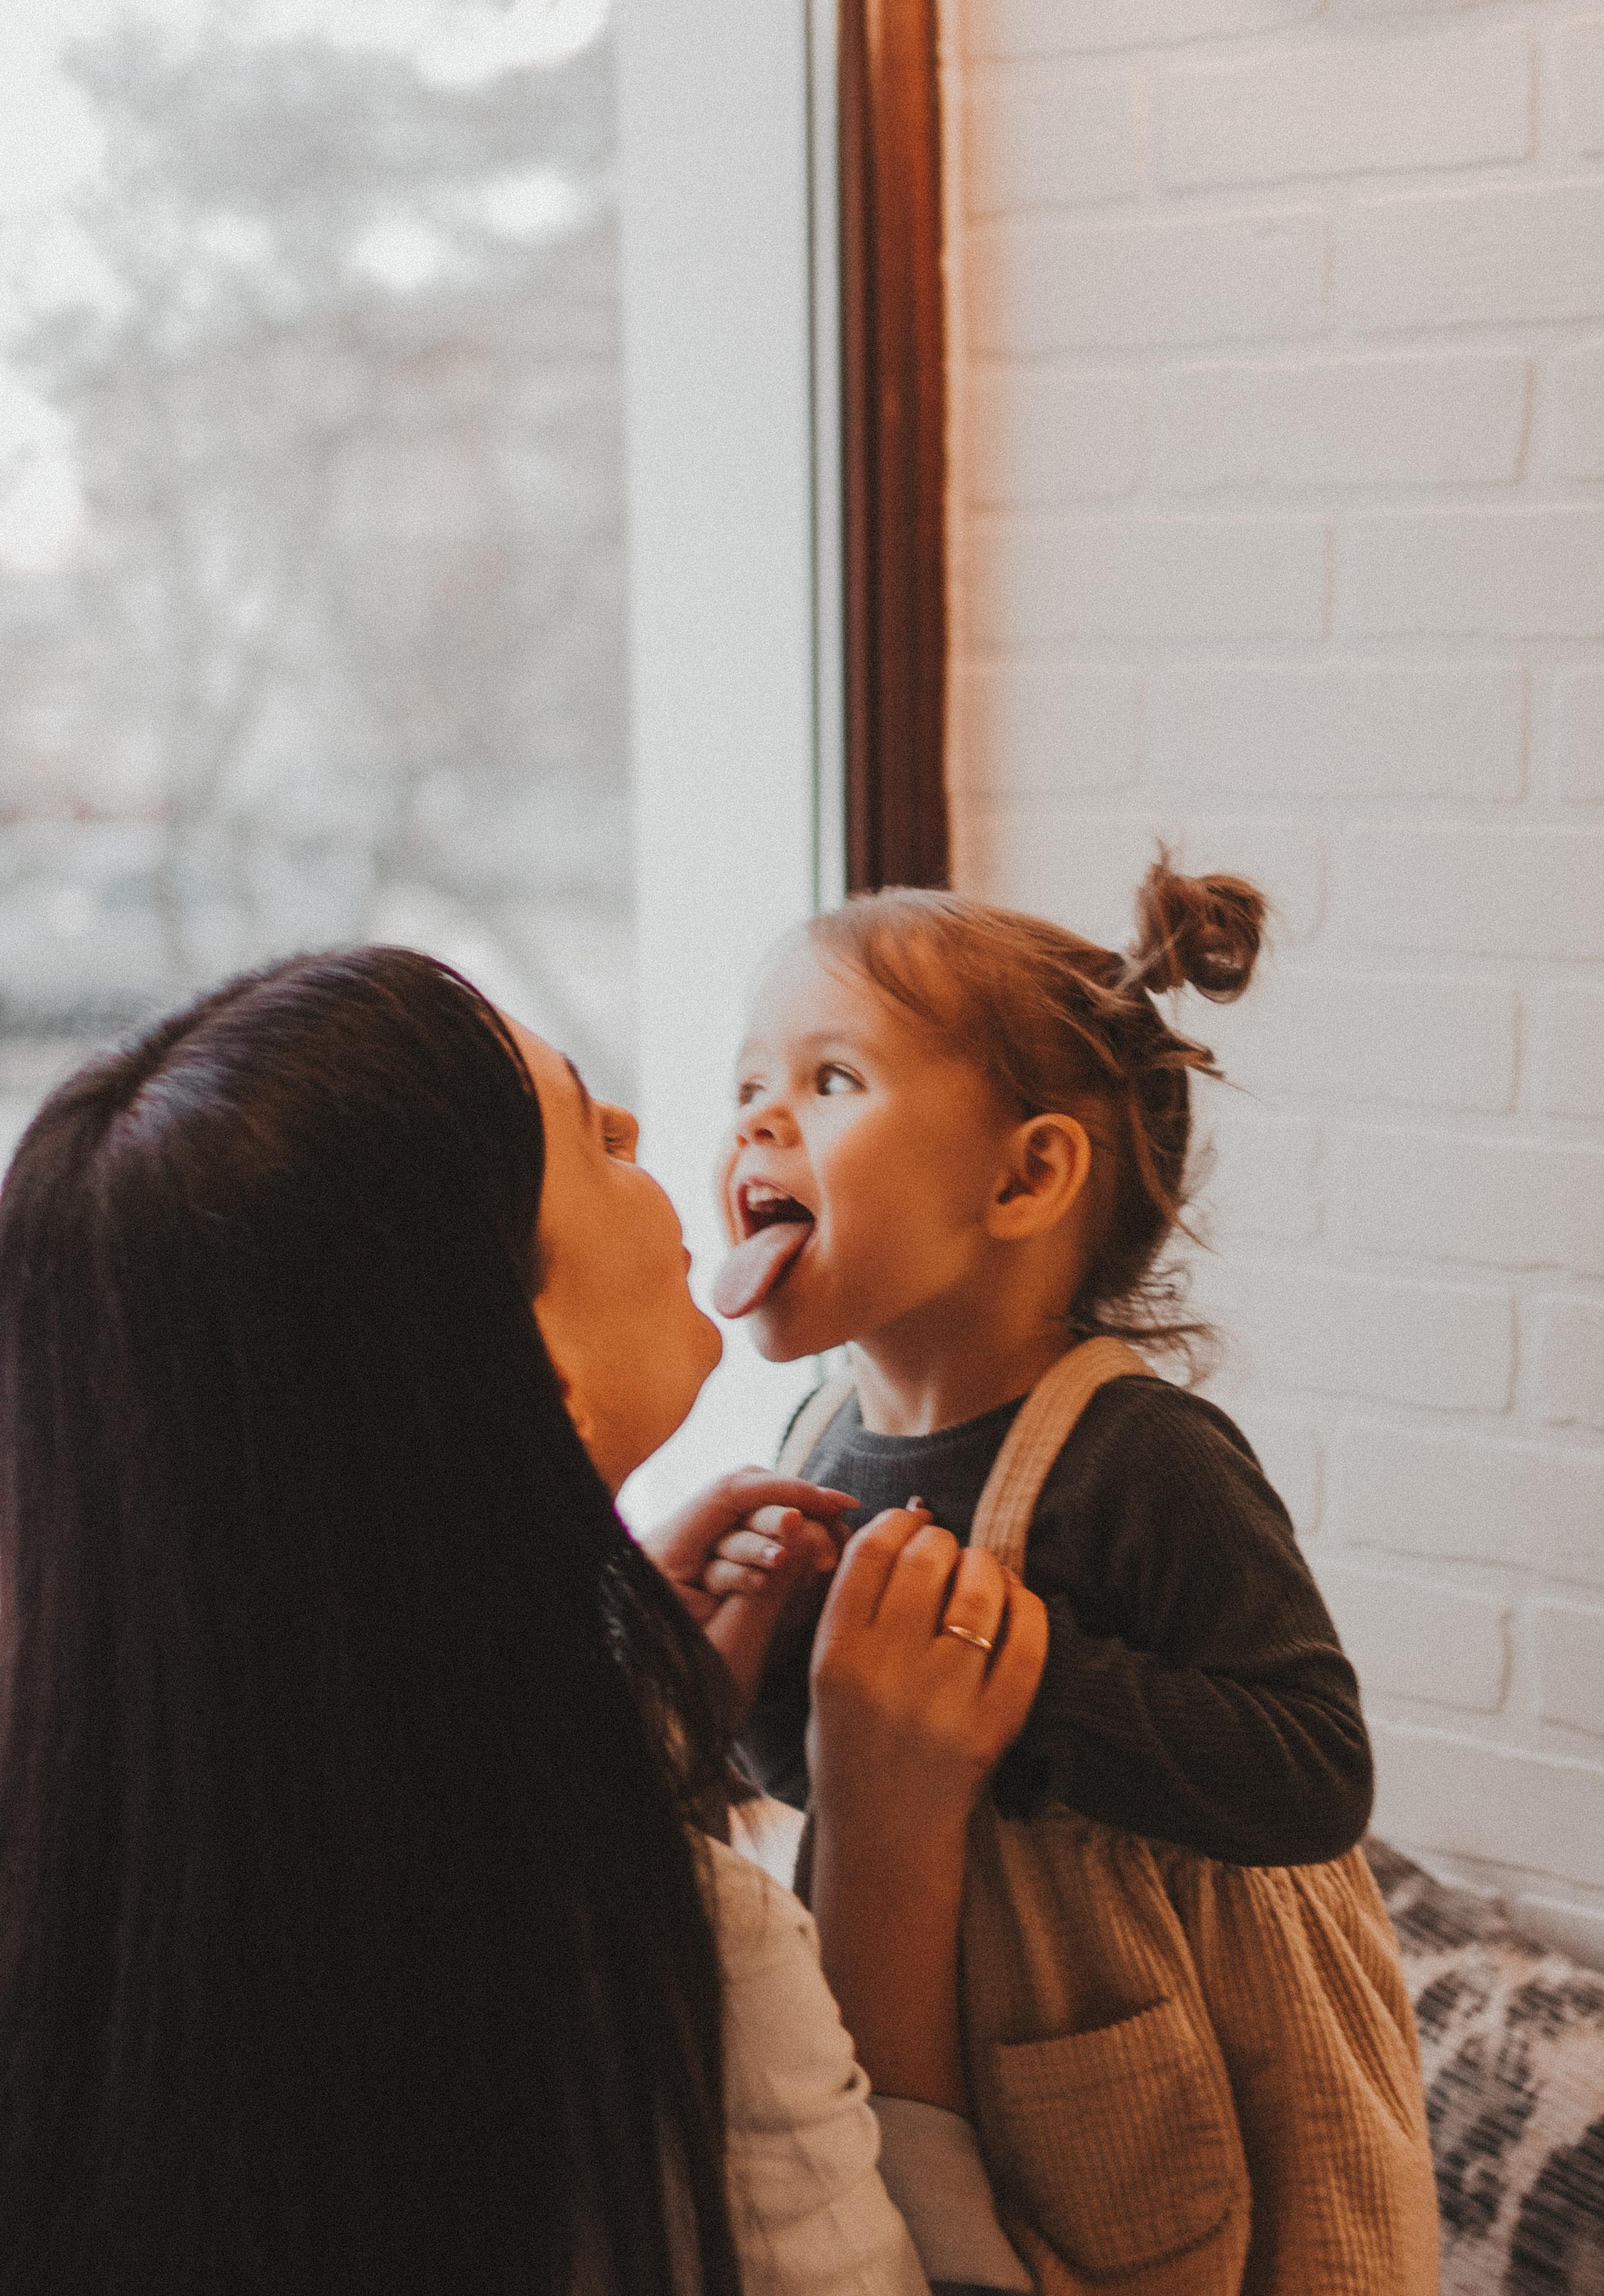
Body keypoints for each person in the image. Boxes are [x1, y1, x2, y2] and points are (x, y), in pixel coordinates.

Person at [0, 945, 1042, 2296]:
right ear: (535, 1366)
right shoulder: (675, 1963)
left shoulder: (89, 1856)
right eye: (592, 1138)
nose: (645, 1129)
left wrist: (636, 1722)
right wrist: (888, 1860)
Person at [700, 861, 1440, 2293]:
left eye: (828, 1079)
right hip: (927, 2036)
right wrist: (756, 1666)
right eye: (746, 1084)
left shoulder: (1138, 1457)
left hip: (1181, 2045)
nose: (755, 1121)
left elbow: (1311, 1772)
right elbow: (824, 1777)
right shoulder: (812, 1437)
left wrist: (1026, 1683)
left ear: (1025, 1177)